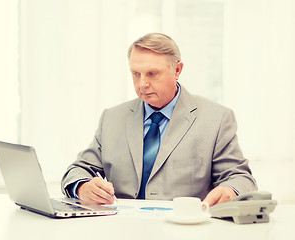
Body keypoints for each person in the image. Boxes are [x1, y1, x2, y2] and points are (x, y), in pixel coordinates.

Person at [61, 33, 257, 206]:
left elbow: (241, 178)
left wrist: (230, 190)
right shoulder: (112, 118)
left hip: (184, 229)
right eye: (136, 74)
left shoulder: (216, 119)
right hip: (120, 228)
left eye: (152, 74)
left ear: (177, 70)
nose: (142, 84)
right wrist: (82, 187)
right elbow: (77, 170)